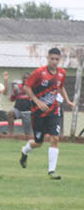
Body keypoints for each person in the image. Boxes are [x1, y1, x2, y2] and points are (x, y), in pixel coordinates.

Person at [19, 48, 76, 179]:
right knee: (38, 143)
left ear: (60, 60)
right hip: (38, 113)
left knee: (55, 138)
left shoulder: (62, 73)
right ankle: (24, 151)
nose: (54, 61)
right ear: (48, 58)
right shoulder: (40, 72)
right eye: (52, 59)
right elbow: (26, 86)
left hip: (53, 112)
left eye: (57, 59)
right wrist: (37, 101)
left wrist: (68, 100)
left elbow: (60, 87)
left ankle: (51, 172)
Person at [8, 73, 33, 137]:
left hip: (28, 111)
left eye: (27, 78)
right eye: (24, 78)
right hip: (18, 109)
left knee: (27, 132)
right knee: (10, 113)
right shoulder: (18, 87)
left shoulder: (33, 87)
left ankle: (27, 136)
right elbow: (11, 99)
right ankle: (11, 134)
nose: (25, 80)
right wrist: (14, 94)